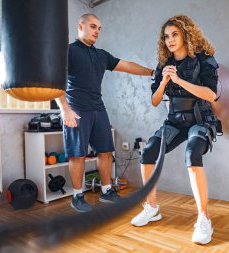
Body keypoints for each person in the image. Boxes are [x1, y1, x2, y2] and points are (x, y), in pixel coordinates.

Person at [130, 15, 222, 245]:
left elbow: (212, 95)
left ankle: (203, 218)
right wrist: (163, 82)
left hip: (201, 119)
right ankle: (151, 208)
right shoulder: (164, 64)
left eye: (174, 34)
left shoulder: (204, 60)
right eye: (166, 36)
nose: (170, 40)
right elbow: (154, 101)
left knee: (192, 155)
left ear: (186, 34)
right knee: (148, 152)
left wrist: (179, 81)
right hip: (175, 121)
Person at [56, 13, 154, 213]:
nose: (97, 32)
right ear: (80, 26)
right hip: (76, 108)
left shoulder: (101, 55)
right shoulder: (68, 51)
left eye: (99, 28)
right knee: (78, 155)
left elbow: (127, 66)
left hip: (98, 108)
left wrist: (153, 72)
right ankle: (77, 196)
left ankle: (107, 191)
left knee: (106, 152)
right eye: (93, 27)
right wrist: (65, 110)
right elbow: (55, 82)